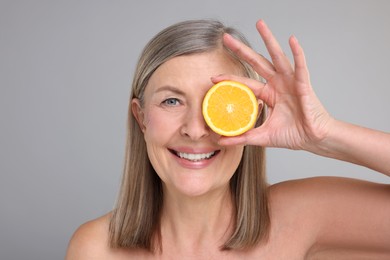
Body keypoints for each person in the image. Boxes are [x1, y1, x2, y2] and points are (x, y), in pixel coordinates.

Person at [65, 19, 390, 259]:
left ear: (251, 115)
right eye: (172, 101)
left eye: (218, 103)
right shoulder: (94, 248)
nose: (195, 129)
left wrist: (323, 135)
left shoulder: (302, 218)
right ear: (140, 117)